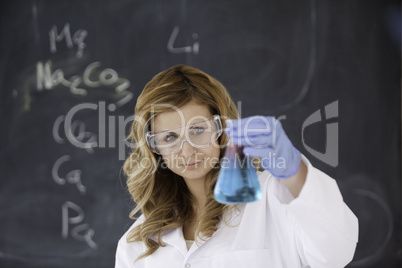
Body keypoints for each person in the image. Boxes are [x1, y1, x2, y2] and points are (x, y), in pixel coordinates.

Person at [115, 64, 358, 268]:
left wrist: (294, 171)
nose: (187, 151)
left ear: (222, 127)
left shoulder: (272, 198)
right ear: (153, 147)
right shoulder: (136, 244)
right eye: (169, 138)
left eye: (198, 130)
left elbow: (336, 252)